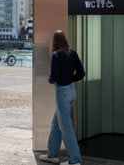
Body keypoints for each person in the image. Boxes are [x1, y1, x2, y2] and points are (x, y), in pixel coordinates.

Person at [39, 30, 85, 165]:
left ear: (54, 42)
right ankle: (52, 154)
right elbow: (82, 73)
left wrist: (50, 78)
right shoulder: (73, 53)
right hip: (71, 90)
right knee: (56, 123)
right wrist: (71, 78)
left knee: (65, 126)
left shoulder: (56, 55)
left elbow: (53, 78)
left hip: (62, 93)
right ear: (65, 40)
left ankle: (75, 160)